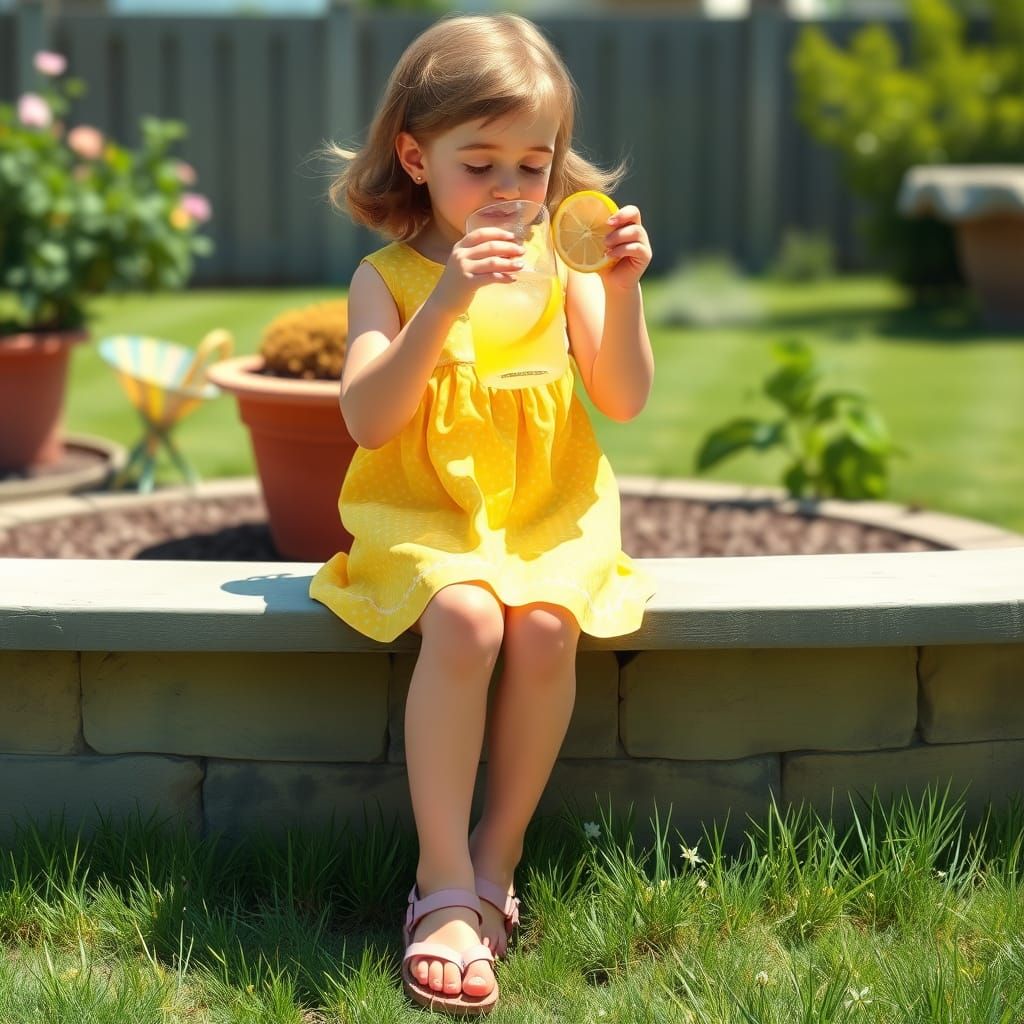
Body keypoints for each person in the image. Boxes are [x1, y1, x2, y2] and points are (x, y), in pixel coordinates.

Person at [310, 12, 656, 1016]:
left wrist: (623, 290)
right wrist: (447, 303)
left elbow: (622, 396)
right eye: (480, 164)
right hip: (426, 509)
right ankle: (441, 881)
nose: (510, 192)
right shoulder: (389, 281)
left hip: (545, 505)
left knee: (546, 625)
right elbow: (371, 420)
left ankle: (494, 860)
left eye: (532, 165)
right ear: (416, 157)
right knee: (465, 617)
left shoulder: (565, 261)